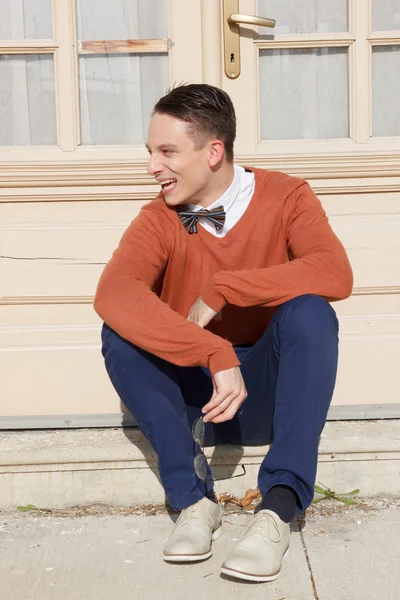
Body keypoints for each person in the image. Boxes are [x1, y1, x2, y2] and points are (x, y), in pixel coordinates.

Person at [94, 83, 353, 583]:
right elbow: (114, 293)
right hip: (194, 402)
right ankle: (194, 502)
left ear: (213, 152)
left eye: (167, 151)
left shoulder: (287, 196)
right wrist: (211, 350)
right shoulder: (158, 218)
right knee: (119, 331)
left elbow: (334, 272)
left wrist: (228, 286)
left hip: (263, 396)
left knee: (311, 312)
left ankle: (278, 508)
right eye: (150, 152)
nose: (153, 166)